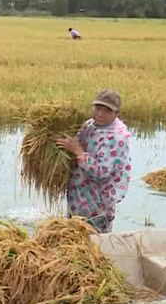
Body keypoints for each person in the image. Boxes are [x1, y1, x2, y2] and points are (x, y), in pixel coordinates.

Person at [55, 89, 131, 233]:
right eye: (98, 108)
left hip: (97, 205)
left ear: (116, 113)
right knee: (73, 238)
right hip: (78, 199)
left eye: (107, 110)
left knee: (94, 242)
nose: (100, 114)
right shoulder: (90, 125)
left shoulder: (117, 138)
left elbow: (101, 172)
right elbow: (76, 143)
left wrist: (77, 151)